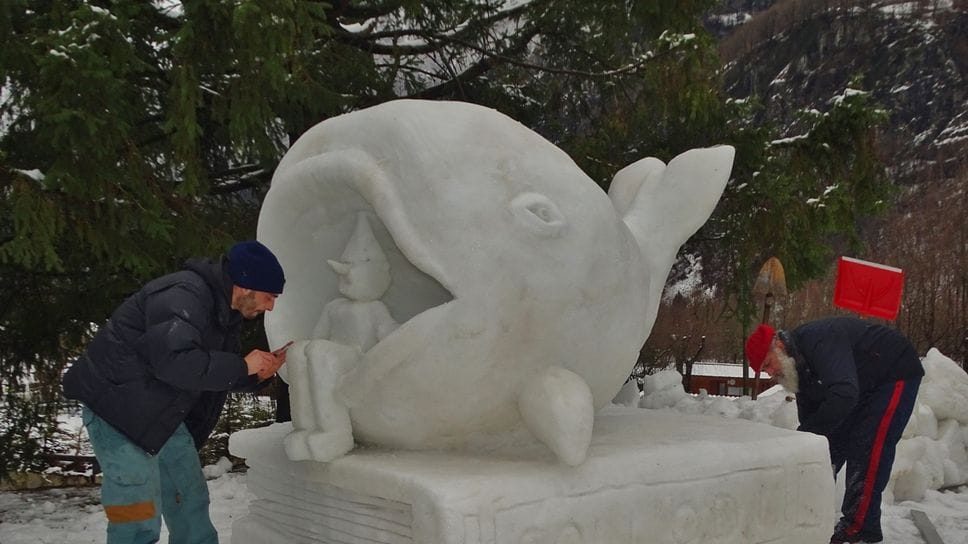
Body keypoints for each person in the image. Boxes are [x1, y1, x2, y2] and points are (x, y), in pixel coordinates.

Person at [62, 240, 288, 544]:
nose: (270, 306)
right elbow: (173, 362)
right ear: (245, 284)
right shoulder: (183, 294)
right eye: (269, 296)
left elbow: (213, 372)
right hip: (117, 411)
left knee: (189, 499)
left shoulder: (225, 312)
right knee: (137, 514)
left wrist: (257, 374)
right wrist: (243, 366)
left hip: (162, 414)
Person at [745, 316, 924, 544]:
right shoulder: (796, 364)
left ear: (779, 346)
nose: (770, 373)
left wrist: (810, 432)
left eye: (768, 365)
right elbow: (812, 415)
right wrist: (807, 448)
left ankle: (860, 529)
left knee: (867, 446)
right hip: (861, 384)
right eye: (765, 370)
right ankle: (810, 512)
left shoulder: (819, 339)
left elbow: (844, 394)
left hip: (893, 372)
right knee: (832, 443)